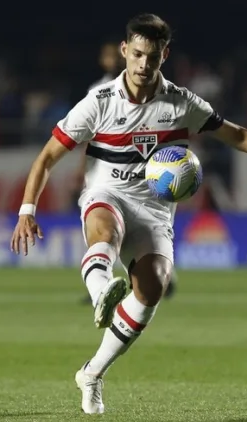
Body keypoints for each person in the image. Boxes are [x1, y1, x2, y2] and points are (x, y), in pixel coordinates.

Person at [9, 13, 247, 414]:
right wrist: (27, 209)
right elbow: (47, 157)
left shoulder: (181, 103)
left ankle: (92, 373)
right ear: (125, 51)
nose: (144, 64)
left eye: (153, 57)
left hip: (155, 209)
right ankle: (100, 293)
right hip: (106, 192)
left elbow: (238, 134)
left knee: (154, 286)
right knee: (103, 231)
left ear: (165, 55)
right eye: (138, 54)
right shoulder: (99, 103)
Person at [75, 40, 178, 304]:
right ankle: (102, 285)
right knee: (104, 228)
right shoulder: (98, 91)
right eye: (107, 55)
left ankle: (157, 274)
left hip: (141, 166)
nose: (112, 60)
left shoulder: (148, 88)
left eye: (114, 55)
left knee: (153, 221)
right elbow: (88, 135)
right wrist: (83, 168)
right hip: (105, 169)